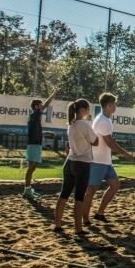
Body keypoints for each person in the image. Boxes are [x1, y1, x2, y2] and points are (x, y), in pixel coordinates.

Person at [83, 93, 134, 225]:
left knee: (115, 185)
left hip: (105, 161)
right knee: (91, 190)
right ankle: (85, 219)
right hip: (97, 161)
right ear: (108, 105)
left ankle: (99, 213)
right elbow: (110, 143)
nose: (115, 107)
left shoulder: (106, 120)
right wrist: (125, 154)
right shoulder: (102, 121)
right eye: (114, 104)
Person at [54, 99, 98, 235]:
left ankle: (58, 224)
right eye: (87, 109)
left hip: (70, 161)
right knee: (79, 197)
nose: (88, 112)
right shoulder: (84, 125)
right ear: (81, 110)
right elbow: (95, 141)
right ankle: (78, 228)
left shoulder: (71, 124)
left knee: (64, 194)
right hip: (82, 162)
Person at [23, 87, 60, 200]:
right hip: (34, 145)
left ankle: (28, 189)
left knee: (33, 168)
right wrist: (54, 93)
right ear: (36, 107)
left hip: (36, 144)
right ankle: (27, 190)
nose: (42, 106)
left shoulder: (35, 118)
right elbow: (47, 103)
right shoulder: (34, 115)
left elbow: (36, 132)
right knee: (31, 167)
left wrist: (46, 133)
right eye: (40, 105)